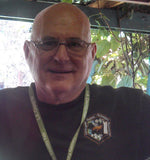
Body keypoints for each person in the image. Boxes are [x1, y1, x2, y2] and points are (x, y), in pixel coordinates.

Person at [0, 2, 150, 160]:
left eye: (75, 44)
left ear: (92, 54)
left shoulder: (132, 109)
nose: (61, 57)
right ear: (28, 52)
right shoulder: (3, 110)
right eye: (48, 43)